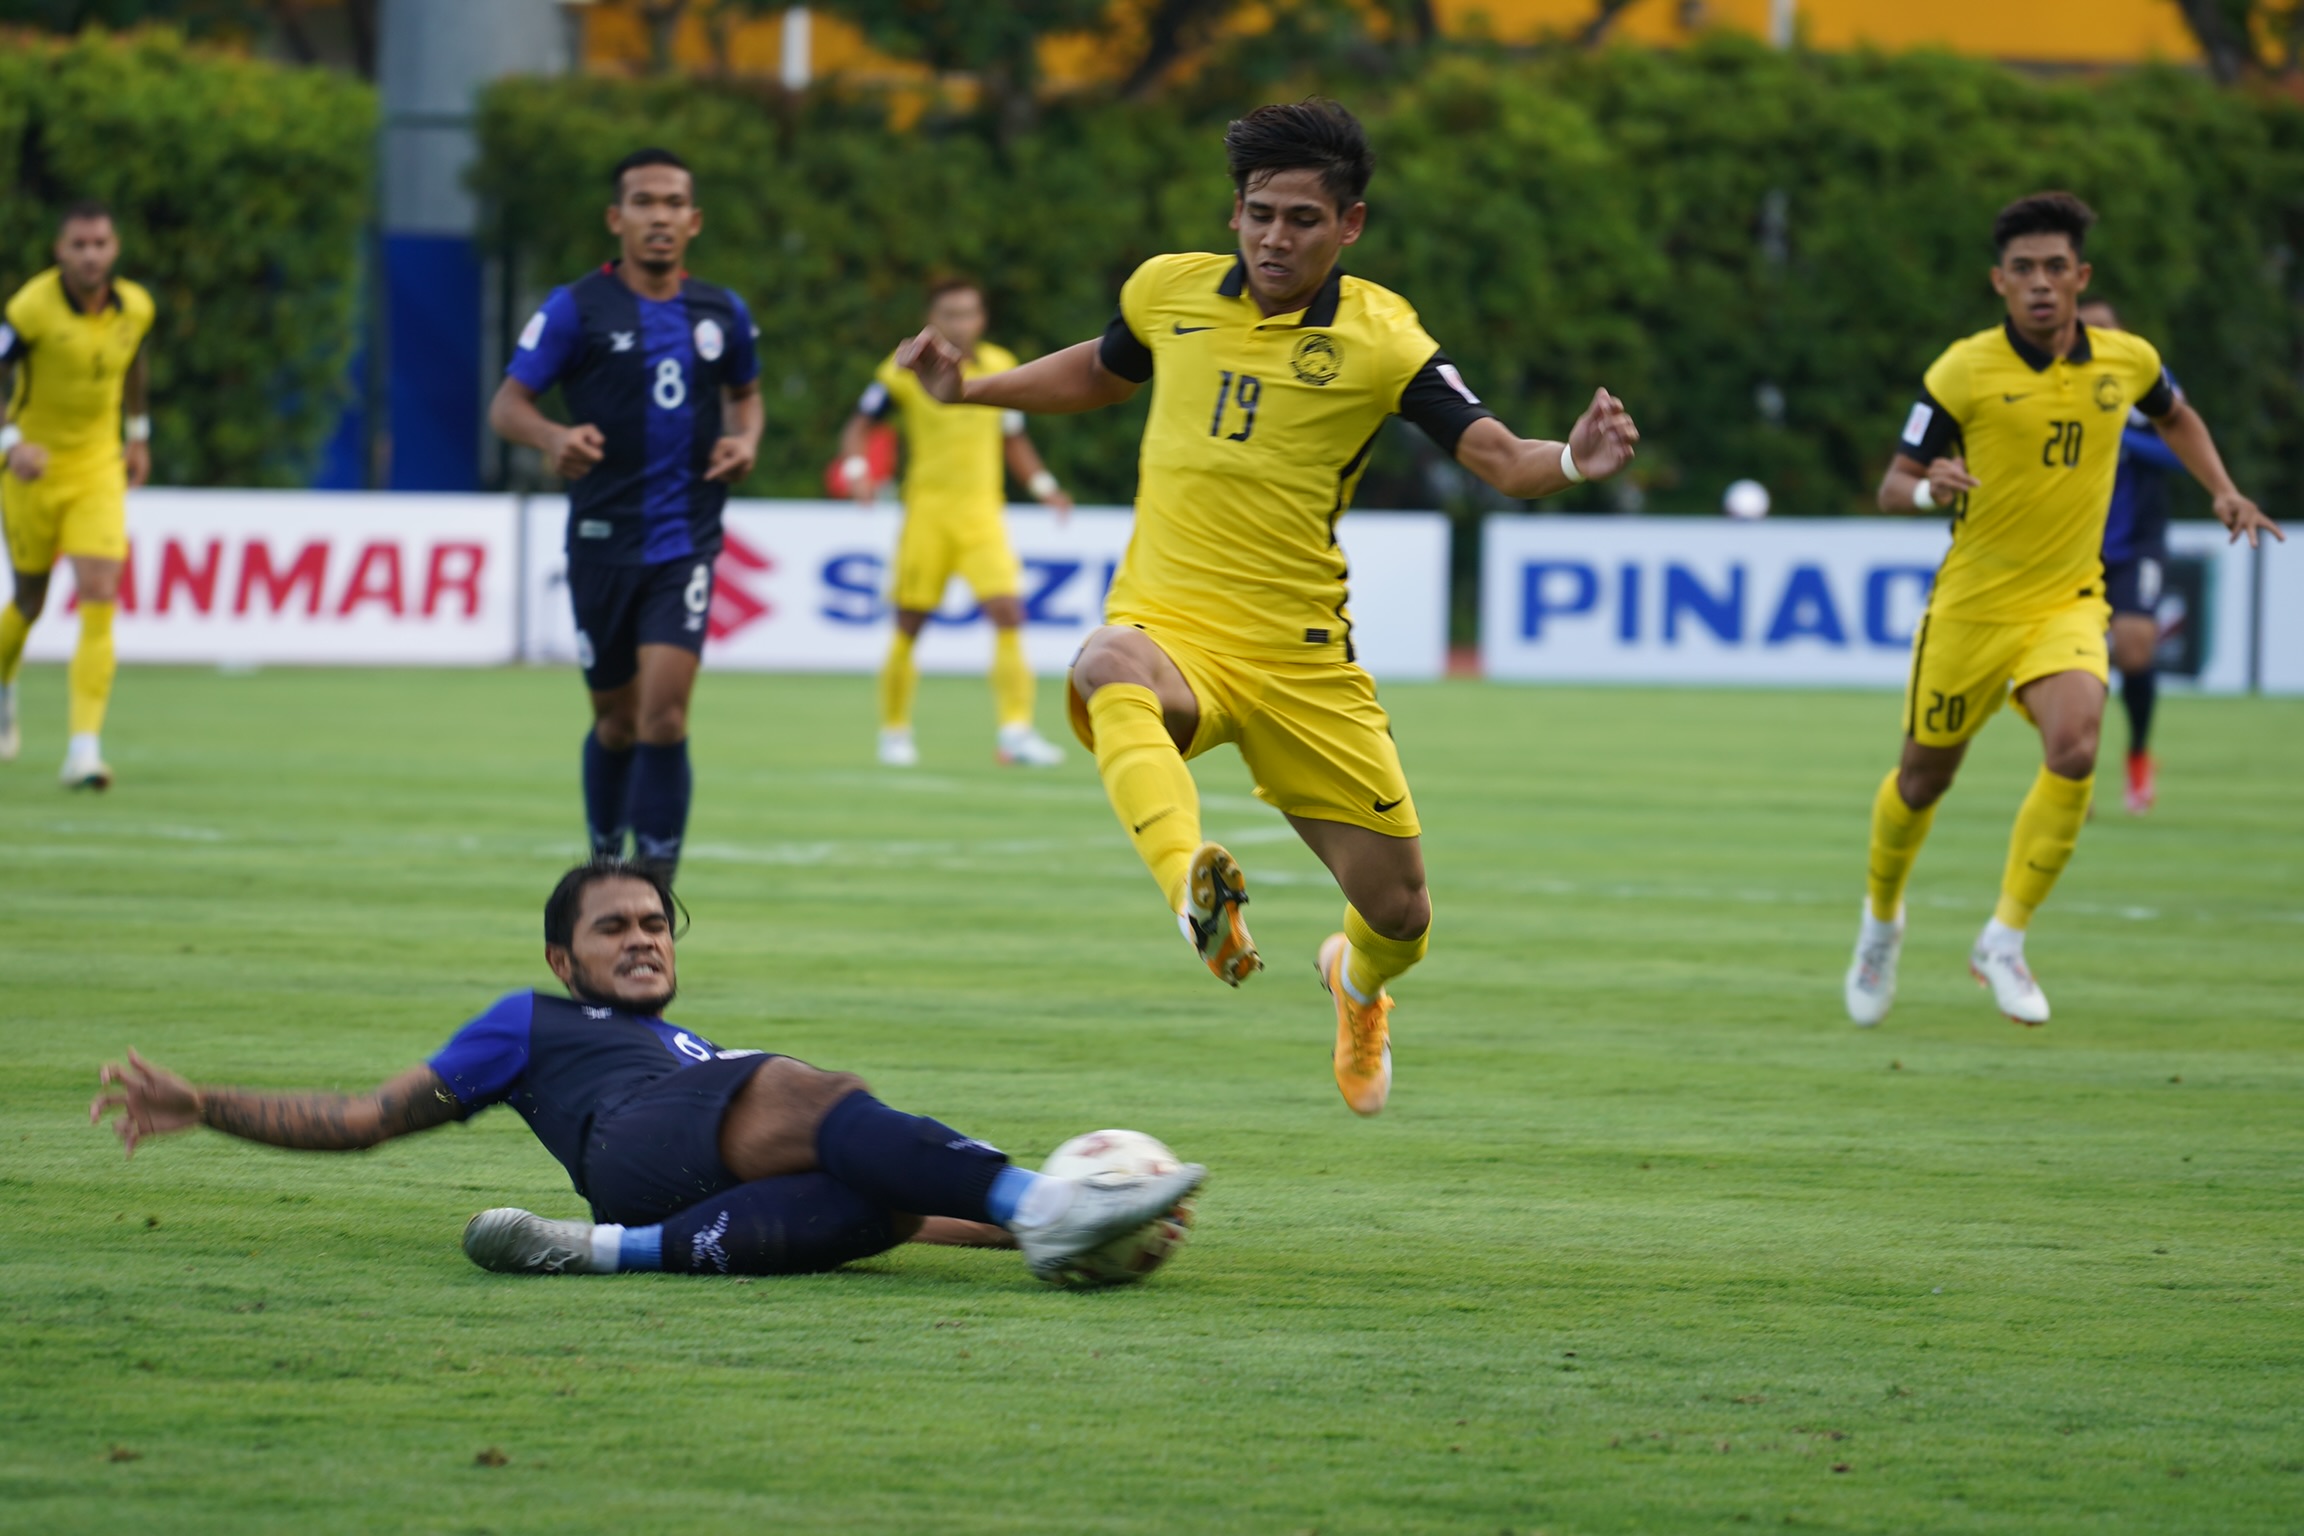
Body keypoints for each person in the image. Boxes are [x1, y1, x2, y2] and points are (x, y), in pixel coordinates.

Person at [898, 100, 1640, 1116]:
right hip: (1173, 629)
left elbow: (1499, 458)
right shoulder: (1171, 292)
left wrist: (1571, 460)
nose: (1273, 237)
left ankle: (1357, 983)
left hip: (1302, 663)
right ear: (1235, 213)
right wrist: (971, 396)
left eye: (1299, 218)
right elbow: (1103, 370)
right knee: (1107, 661)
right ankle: (1190, 888)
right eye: (1257, 214)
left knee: (1401, 911)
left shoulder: (1384, 339)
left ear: (1350, 225)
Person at [90, 858, 1206, 1282]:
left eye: (657, 924)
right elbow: (363, 1117)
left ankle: (598, 1255)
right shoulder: (523, 1023)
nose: (642, 937)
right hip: (634, 1141)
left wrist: (1034, 1232)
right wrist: (205, 1102)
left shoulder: (690, 1049)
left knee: (874, 1209)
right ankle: (1044, 1200)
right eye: (613, 925)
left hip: (663, 1189)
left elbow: (917, 1210)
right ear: (560, 956)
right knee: (817, 1091)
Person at [1845, 192, 2280, 1030]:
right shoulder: (1962, 370)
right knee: (1923, 779)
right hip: (1971, 609)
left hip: (2068, 600)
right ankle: (1881, 921)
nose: (2040, 283)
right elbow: (1891, 483)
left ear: (2080, 276)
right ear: (1999, 283)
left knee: (2077, 746)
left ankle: (2002, 939)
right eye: (2023, 270)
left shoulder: (2128, 360)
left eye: (2055, 267)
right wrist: (1929, 483)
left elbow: (2177, 414)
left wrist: (2223, 491)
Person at [488, 148, 765, 883]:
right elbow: (508, 405)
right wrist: (553, 436)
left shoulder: (722, 311)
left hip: (686, 543)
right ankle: (606, 861)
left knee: (664, 716)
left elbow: (747, 395)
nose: (660, 217)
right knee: (615, 721)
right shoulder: (574, 309)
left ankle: (657, 885)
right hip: (603, 543)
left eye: (674, 203)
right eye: (644, 202)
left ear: (694, 220)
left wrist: (747, 441)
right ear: (618, 219)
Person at [838, 277, 1074, 769]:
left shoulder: (1001, 366)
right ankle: (895, 732)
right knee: (910, 623)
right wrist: (859, 471)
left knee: (1009, 612)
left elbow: (1014, 437)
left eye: (968, 313)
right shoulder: (903, 370)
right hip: (927, 513)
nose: (959, 323)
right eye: (949, 313)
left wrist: (1045, 487)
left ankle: (1015, 732)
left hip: (982, 514)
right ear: (933, 318)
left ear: (981, 318)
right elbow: (861, 425)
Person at [0, 201, 156, 787]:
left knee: (100, 590)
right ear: (59, 252)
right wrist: (12, 442)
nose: (91, 255)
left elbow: (135, 360)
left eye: (100, 244)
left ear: (114, 249)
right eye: (79, 245)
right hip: (31, 470)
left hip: (97, 467)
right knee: (30, 603)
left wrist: (138, 434)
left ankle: (83, 750)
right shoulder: (29, 310)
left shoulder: (136, 308)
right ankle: (3, 681)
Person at [2076, 297, 2188, 815]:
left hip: (2136, 542)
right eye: (2087, 328)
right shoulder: (2058, 383)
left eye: (2105, 327)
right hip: (2076, 542)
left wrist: (2119, 429)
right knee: (2077, 661)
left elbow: (2178, 448)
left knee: (2135, 648)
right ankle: (2074, 774)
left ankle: (2139, 755)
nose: (2096, 336)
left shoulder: (2142, 381)